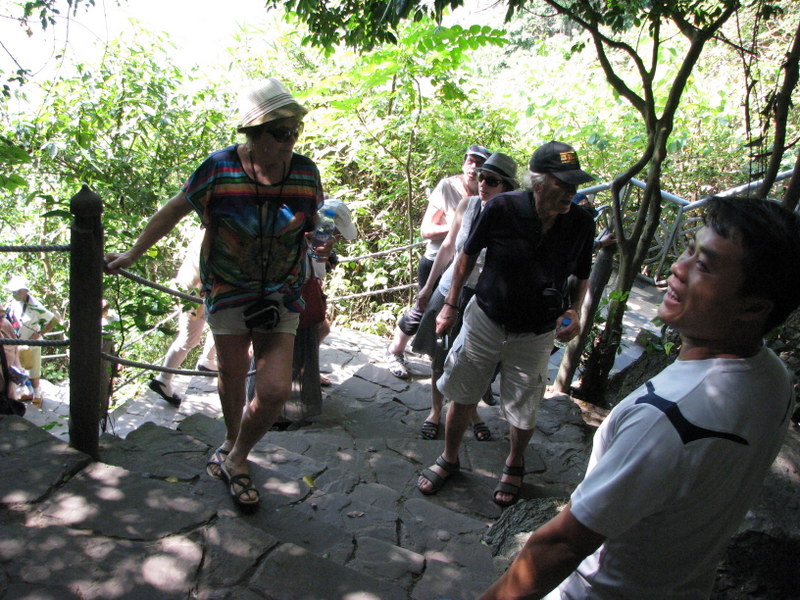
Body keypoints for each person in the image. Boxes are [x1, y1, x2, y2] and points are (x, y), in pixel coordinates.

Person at [477, 195, 800, 600]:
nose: (678, 268)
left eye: (703, 265)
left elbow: (562, 545)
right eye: (689, 249)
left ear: (752, 308)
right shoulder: (774, 377)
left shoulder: (671, 417)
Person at [105, 78, 329, 512]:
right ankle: (231, 442)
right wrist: (134, 252)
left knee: (275, 390)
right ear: (254, 133)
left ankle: (236, 455)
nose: (291, 141)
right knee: (231, 368)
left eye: (295, 131)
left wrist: (318, 237)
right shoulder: (219, 168)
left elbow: (311, 216)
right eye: (281, 132)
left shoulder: (305, 171)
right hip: (227, 288)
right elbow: (175, 208)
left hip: (282, 291)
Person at [417, 141, 596, 507]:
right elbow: (465, 256)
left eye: (575, 185)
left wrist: (576, 311)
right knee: (462, 391)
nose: (571, 193)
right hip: (486, 317)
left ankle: (514, 461)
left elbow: (581, 275)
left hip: (538, 330)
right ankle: (450, 457)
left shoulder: (580, 223)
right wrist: (450, 304)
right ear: (538, 182)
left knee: (525, 403)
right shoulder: (503, 208)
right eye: (563, 184)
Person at [411, 152, 519, 441]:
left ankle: (470, 412)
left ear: (506, 187)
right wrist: (428, 287)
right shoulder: (467, 206)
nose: (483, 183)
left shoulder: (512, 217)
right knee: (440, 352)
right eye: (482, 177)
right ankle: (435, 411)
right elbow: (448, 247)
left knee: (475, 360)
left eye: (492, 181)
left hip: (484, 295)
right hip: (450, 288)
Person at [384, 144, 491, 379]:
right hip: (437, 259)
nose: (473, 167)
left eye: (480, 164)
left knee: (455, 315)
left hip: (466, 267)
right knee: (424, 309)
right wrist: (458, 225)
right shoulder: (448, 186)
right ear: (464, 162)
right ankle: (395, 350)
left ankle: (441, 365)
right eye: (470, 161)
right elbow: (427, 230)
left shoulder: (490, 195)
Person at [148, 229, 218, 407]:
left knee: (220, 323)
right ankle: (163, 378)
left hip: (199, 288)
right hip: (194, 290)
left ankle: (207, 361)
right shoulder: (213, 234)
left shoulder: (210, 230)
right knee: (188, 340)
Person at [5, 275, 59, 406]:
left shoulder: (35, 305)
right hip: (17, 342)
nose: (14, 294)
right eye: (12, 291)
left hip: (31, 343)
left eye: (16, 291)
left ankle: (37, 395)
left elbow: (54, 320)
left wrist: (39, 334)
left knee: (33, 369)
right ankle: (28, 392)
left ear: (24, 291)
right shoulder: (13, 301)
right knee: (20, 369)